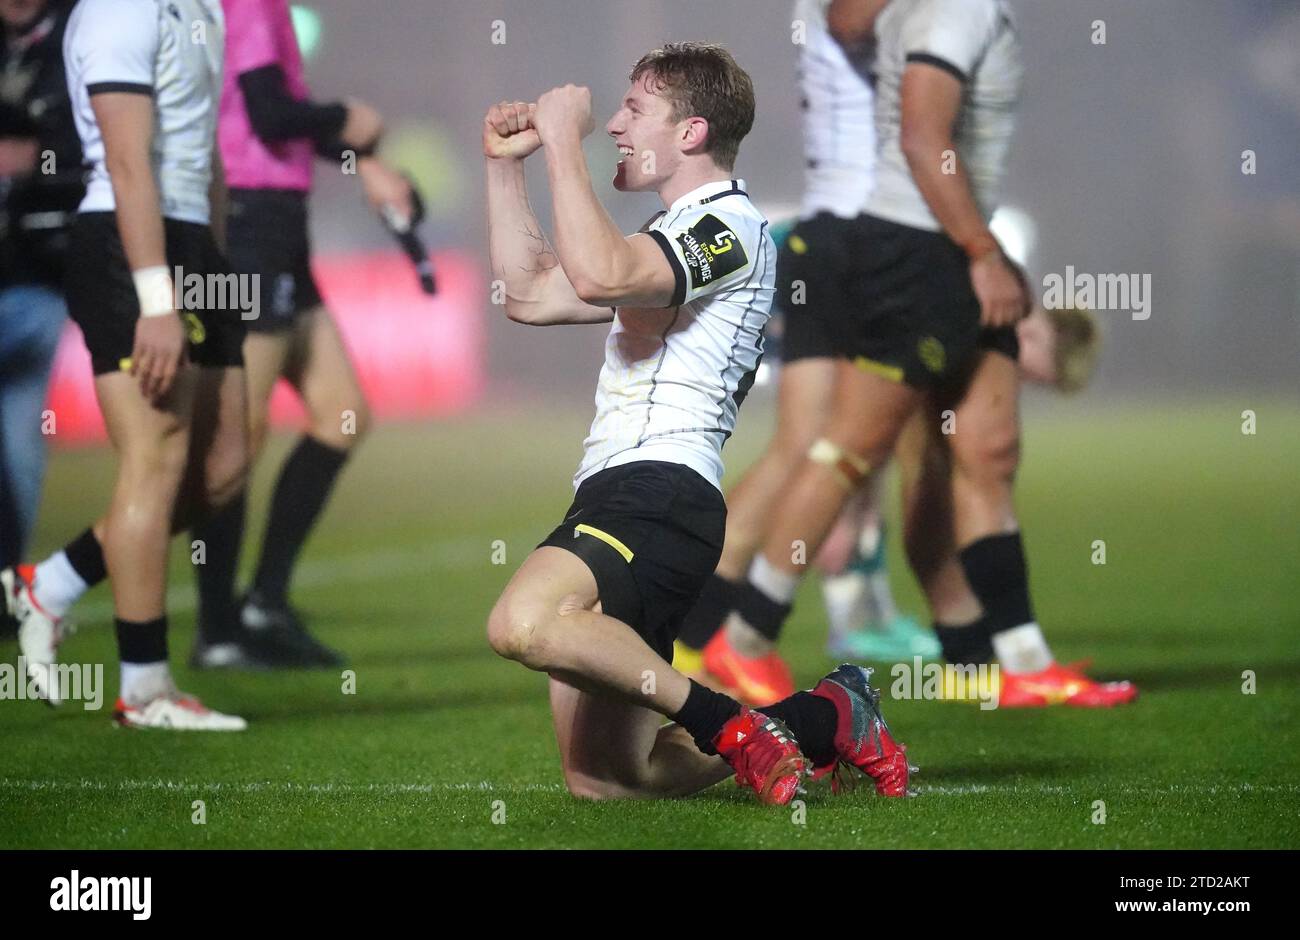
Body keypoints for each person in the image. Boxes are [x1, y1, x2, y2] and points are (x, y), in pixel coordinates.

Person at [483, 42, 909, 801]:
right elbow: (528, 294)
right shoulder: (672, 235)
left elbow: (602, 273)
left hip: (659, 494)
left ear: (690, 133)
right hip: (620, 497)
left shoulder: (731, 226)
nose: (613, 125)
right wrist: (504, 165)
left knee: (521, 621)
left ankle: (727, 723)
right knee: (613, 782)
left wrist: (561, 140)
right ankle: (825, 717)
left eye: (634, 109)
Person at [712, 0, 1136, 708]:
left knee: (986, 450)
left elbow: (847, 22)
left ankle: (1015, 661)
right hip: (919, 247)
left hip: (957, 240)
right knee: (845, 449)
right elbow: (919, 137)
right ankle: (746, 638)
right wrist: (979, 250)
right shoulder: (954, 8)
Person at [2, 0, 247, 727]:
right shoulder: (118, 9)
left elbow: (204, 145)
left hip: (192, 241)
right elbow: (126, 160)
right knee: (156, 460)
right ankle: (145, 690)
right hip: (126, 242)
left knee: (223, 467)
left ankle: (49, 581)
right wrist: (156, 299)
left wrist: (214, 258)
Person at [187, 0, 413, 669]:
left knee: (342, 415)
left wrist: (362, 154)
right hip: (248, 225)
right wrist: (346, 117)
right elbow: (268, 116)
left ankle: (264, 604)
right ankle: (218, 633)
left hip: (277, 224)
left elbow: (280, 122)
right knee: (236, 439)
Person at [0, 0, 80, 575]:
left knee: (21, 442)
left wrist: (31, 157)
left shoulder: (77, 36)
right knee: (19, 443)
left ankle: (6, 573)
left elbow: (97, 148)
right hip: (28, 276)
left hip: (38, 273)